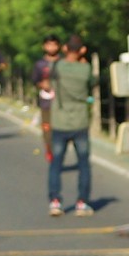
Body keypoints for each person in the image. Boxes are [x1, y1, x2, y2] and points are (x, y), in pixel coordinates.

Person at [42, 35, 95, 216]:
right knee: (83, 164)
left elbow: (49, 84)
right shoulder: (86, 69)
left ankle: (55, 201)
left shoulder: (56, 66)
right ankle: (82, 202)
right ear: (83, 50)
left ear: (65, 48)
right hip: (80, 121)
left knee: (56, 163)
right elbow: (92, 84)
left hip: (59, 121)